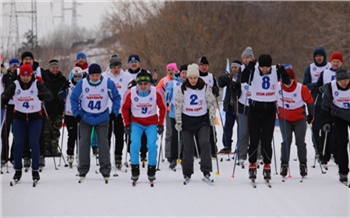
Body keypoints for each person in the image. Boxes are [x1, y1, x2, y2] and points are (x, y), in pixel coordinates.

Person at [240, 54, 290, 181]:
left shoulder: (275, 71)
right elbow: (243, 79)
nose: (264, 70)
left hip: (269, 110)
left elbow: (287, 82)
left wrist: (283, 72)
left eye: (267, 67)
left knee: (267, 140)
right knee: (254, 139)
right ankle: (252, 165)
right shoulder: (254, 70)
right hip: (255, 109)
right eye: (262, 67)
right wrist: (249, 67)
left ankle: (267, 166)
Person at [1, 63, 52, 182]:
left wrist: (43, 95)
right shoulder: (15, 84)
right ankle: (18, 170)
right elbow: (6, 94)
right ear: (20, 75)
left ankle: (35, 170)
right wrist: (4, 99)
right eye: (23, 75)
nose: (25, 78)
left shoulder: (37, 84)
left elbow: (49, 95)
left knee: (34, 143)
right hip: (19, 118)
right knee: (18, 143)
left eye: (28, 75)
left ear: (31, 75)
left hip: (35, 118)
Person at [70, 63, 121, 179]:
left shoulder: (108, 83)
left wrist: (115, 112)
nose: (95, 77)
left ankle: (105, 169)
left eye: (97, 75)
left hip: (102, 117)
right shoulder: (82, 84)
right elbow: (73, 98)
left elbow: (117, 97)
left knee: (103, 143)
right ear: (89, 75)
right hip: (85, 117)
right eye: (93, 75)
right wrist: (76, 113)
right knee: (84, 143)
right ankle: (83, 169)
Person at [121, 71, 166, 182]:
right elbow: (124, 108)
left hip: (151, 123)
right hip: (136, 122)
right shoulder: (130, 92)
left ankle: (151, 168)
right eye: (140, 84)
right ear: (137, 84)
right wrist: (126, 124)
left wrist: (160, 124)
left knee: (151, 144)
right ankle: (135, 168)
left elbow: (163, 107)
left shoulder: (156, 92)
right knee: (135, 143)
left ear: (149, 84)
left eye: (146, 84)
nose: (143, 86)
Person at [175, 63, 216, 181]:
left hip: (202, 120)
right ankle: (187, 172)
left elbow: (211, 102)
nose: (193, 80)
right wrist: (178, 121)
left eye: (195, 77)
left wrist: (212, 116)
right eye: (190, 78)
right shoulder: (183, 88)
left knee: (204, 143)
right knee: (188, 148)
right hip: (187, 120)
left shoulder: (205, 87)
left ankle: (206, 170)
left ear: (198, 77)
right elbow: (178, 105)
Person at [276, 68, 314, 178]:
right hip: (284, 119)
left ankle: (303, 164)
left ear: (294, 79)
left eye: (290, 80)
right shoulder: (278, 86)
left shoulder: (301, 88)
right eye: (285, 81)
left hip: (299, 119)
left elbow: (310, 102)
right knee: (286, 141)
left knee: (300, 142)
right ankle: (284, 164)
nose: (287, 84)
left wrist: (311, 115)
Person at [102, 56, 133, 169]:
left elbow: (132, 89)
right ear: (110, 67)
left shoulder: (126, 76)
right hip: (107, 111)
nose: (116, 69)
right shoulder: (104, 77)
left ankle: (118, 157)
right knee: (106, 136)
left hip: (120, 112)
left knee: (119, 136)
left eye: (118, 67)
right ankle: (105, 158)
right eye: (114, 67)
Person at [314, 51, 344, 166]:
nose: (336, 64)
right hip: (326, 106)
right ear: (331, 62)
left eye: (338, 62)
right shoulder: (325, 73)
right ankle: (324, 156)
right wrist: (321, 89)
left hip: (340, 107)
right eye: (334, 61)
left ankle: (337, 156)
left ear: (341, 63)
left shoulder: (345, 74)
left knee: (338, 133)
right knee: (325, 131)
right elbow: (317, 88)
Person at [302, 46, 331, 163]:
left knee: (329, 127)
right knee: (316, 128)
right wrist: (317, 86)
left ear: (324, 56)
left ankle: (329, 150)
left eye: (320, 56)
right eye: (316, 56)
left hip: (329, 102)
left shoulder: (330, 66)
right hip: (315, 102)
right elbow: (305, 85)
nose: (318, 58)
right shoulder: (310, 68)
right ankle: (318, 150)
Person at [321, 68, 350, 184]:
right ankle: (343, 171)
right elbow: (325, 107)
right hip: (339, 116)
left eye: (346, 80)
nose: (344, 82)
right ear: (337, 80)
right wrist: (326, 122)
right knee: (342, 143)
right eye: (341, 80)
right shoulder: (330, 87)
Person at [125, 54, 154, 165]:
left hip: (144, 105)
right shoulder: (125, 74)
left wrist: (154, 79)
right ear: (128, 64)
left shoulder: (145, 72)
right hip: (130, 105)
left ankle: (143, 154)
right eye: (131, 62)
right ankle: (132, 154)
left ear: (139, 63)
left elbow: (152, 86)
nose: (133, 64)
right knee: (130, 132)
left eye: (135, 62)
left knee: (144, 133)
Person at [19, 51, 44, 169]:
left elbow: (46, 83)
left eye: (30, 59)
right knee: (22, 135)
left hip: (37, 106)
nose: (28, 61)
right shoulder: (18, 71)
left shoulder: (39, 70)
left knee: (38, 134)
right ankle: (26, 156)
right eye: (25, 59)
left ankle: (40, 156)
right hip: (20, 107)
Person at [57, 67, 84, 166]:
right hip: (70, 113)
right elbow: (59, 96)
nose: (77, 78)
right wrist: (64, 88)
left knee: (81, 136)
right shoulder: (68, 84)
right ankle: (70, 154)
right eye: (75, 76)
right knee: (72, 135)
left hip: (82, 113)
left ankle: (80, 154)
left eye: (79, 76)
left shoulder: (85, 84)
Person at [41, 59, 67, 161]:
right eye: (53, 67)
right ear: (49, 67)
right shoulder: (45, 78)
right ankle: (46, 150)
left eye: (56, 67)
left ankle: (54, 149)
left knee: (56, 130)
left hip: (58, 108)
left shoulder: (62, 79)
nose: (55, 69)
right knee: (46, 130)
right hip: (47, 108)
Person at [165, 64, 187, 170]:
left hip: (187, 113)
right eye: (183, 73)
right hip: (174, 112)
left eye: (186, 73)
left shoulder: (191, 82)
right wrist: (167, 97)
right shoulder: (173, 82)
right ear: (180, 73)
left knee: (185, 135)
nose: (184, 75)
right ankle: (173, 158)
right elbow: (168, 91)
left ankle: (183, 156)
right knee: (174, 135)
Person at [217, 60, 241, 153]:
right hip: (230, 106)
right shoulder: (229, 77)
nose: (234, 69)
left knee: (241, 128)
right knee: (227, 127)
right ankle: (227, 145)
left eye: (236, 67)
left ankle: (240, 146)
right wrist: (225, 77)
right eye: (233, 67)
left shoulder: (242, 77)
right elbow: (220, 83)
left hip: (239, 107)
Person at [198, 56, 219, 157]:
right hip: (198, 107)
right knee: (199, 129)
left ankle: (213, 149)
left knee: (211, 127)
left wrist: (216, 90)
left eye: (205, 65)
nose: (204, 67)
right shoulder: (195, 76)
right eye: (202, 65)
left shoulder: (211, 76)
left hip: (209, 106)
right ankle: (197, 150)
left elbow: (216, 89)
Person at [156, 62, 177, 162]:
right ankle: (168, 153)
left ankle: (179, 152)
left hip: (179, 109)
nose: (170, 71)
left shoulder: (178, 79)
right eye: (168, 70)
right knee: (169, 132)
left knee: (179, 132)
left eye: (172, 69)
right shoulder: (164, 80)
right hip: (168, 109)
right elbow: (157, 91)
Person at [1, 58, 20, 166]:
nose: (15, 68)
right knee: (5, 133)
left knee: (17, 133)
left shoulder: (20, 76)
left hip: (17, 106)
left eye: (17, 66)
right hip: (7, 106)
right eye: (13, 66)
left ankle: (14, 156)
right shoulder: (5, 75)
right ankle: (4, 156)